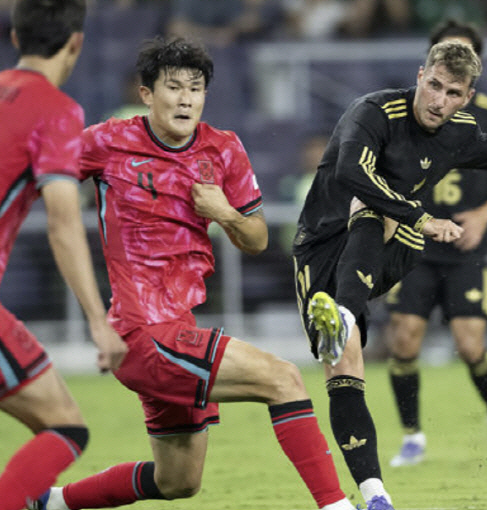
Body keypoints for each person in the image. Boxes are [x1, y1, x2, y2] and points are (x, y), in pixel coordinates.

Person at [30, 37, 354, 510]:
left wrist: (224, 212)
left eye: (195, 88)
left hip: (178, 327)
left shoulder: (223, 149)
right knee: (282, 378)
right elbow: (37, 170)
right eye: (174, 87)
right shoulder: (107, 141)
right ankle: (337, 505)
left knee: (179, 480)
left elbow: (257, 239)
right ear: (147, 93)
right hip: (141, 332)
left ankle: (47, 502)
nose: (185, 99)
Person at [293, 40, 487, 510]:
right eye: (434, 85)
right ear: (420, 76)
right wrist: (421, 217)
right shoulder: (374, 112)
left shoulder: (458, 133)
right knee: (345, 369)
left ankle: (345, 318)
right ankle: (375, 496)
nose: (439, 100)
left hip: (390, 243)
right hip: (320, 247)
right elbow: (352, 172)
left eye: (453, 93)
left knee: (372, 215)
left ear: (467, 97)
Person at [0, 2, 127, 509]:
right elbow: (63, 221)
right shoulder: (56, 111)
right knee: (65, 428)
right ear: (76, 42)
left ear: (15, 37)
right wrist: (99, 321)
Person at [384, 20, 487, 467]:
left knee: (469, 344)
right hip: (414, 243)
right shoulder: (405, 112)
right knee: (404, 340)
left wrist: (483, 215)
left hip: (466, 247)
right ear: (428, 64)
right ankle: (412, 437)